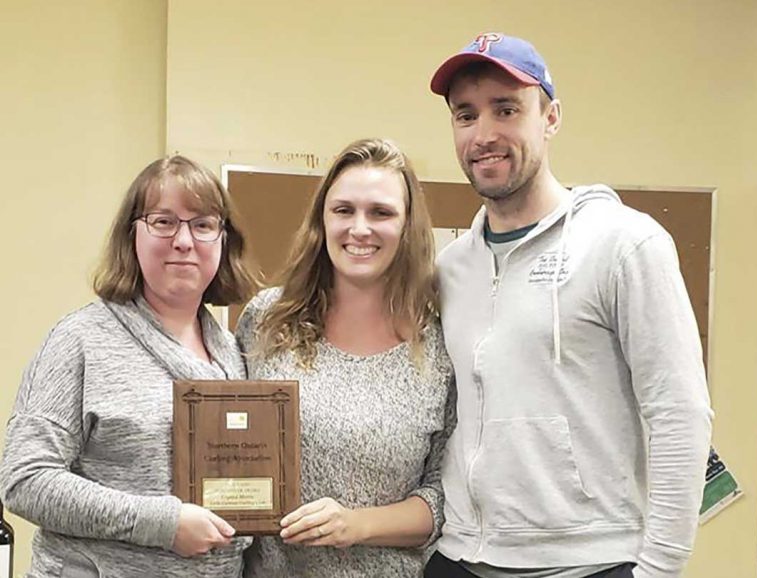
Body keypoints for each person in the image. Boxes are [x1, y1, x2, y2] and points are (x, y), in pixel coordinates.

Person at [423, 33, 713, 578]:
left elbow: (680, 413)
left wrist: (659, 569)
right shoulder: (451, 268)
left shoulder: (624, 244)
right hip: (461, 557)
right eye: (465, 115)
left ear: (550, 118)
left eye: (506, 109)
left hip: (587, 562)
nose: (483, 134)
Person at [0, 155, 259, 577]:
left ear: (223, 239)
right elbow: (25, 480)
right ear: (131, 235)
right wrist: (162, 523)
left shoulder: (233, 351)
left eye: (203, 224)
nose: (184, 240)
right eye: (163, 221)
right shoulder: (79, 340)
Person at [236, 138, 456, 578]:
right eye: (343, 210)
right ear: (322, 219)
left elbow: (442, 498)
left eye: (381, 212)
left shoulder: (439, 346)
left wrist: (355, 525)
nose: (360, 229)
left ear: (408, 225)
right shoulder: (267, 320)